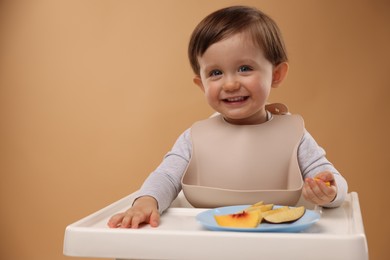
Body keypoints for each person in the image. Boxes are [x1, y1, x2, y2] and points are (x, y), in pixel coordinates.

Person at [107, 5, 348, 229]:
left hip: (274, 243)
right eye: (216, 73)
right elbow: (166, 176)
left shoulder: (294, 136)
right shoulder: (195, 138)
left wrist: (329, 191)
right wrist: (146, 201)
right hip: (208, 245)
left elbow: (331, 179)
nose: (230, 84)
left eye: (245, 68)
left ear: (276, 74)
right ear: (201, 84)